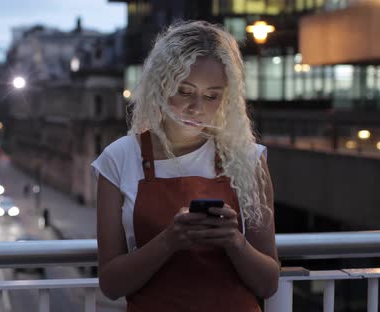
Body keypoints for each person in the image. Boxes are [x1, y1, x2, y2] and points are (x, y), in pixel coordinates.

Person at [91, 20, 279, 311]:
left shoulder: (247, 158)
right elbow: (111, 284)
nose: (197, 108)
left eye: (212, 96)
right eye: (184, 90)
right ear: (160, 85)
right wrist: (170, 240)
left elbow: (268, 284)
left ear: (226, 98)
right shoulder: (119, 159)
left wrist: (234, 241)